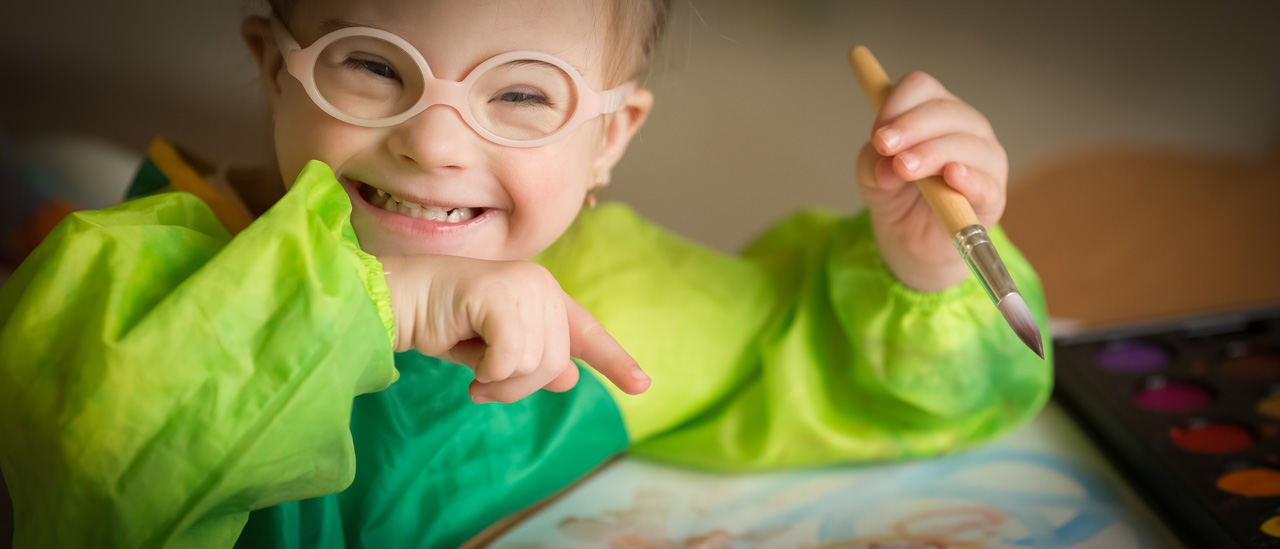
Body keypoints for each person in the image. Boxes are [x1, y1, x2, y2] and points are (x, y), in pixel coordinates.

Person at [0, 0, 1051, 547]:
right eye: (372, 66)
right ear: (276, 66)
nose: (436, 145)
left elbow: (840, 374)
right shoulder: (135, 278)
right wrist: (376, 304)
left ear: (608, 137)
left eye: (520, 95)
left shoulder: (623, 303)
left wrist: (918, 267)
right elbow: (95, 478)